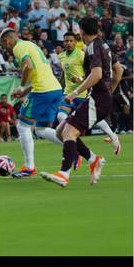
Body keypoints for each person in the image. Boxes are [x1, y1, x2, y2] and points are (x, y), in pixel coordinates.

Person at [40, 17, 122, 188]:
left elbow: (98, 74)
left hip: (97, 98)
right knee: (60, 131)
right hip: (99, 97)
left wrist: (76, 92)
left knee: (69, 132)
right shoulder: (103, 45)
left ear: (82, 31)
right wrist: (110, 91)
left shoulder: (92, 47)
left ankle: (63, 174)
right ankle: (93, 159)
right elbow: (118, 69)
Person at [0, 28, 64, 177]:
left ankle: (29, 167)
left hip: (42, 91)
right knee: (41, 129)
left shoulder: (18, 48)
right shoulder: (30, 44)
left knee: (22, 126)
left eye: (4, 46)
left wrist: (21, 86)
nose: (5, 49)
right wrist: (24, 91)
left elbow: (28, 66)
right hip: (54, 89)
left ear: (7, 41)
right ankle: (72, 149)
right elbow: (38, 73)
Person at [58, 32, 121, 155]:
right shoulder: (61, 56)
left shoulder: (81, 54)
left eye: (71, 41)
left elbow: (92, 72)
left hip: (82, 93)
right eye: (66, 41)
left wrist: (80, 80)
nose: (68, 43)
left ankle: (113, 136)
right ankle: (72, 139)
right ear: (63, 42)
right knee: (60, 116)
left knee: (95, 120)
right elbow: (63, 74)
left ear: (75, 42)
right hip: (68, 93)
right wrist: (60, 88)